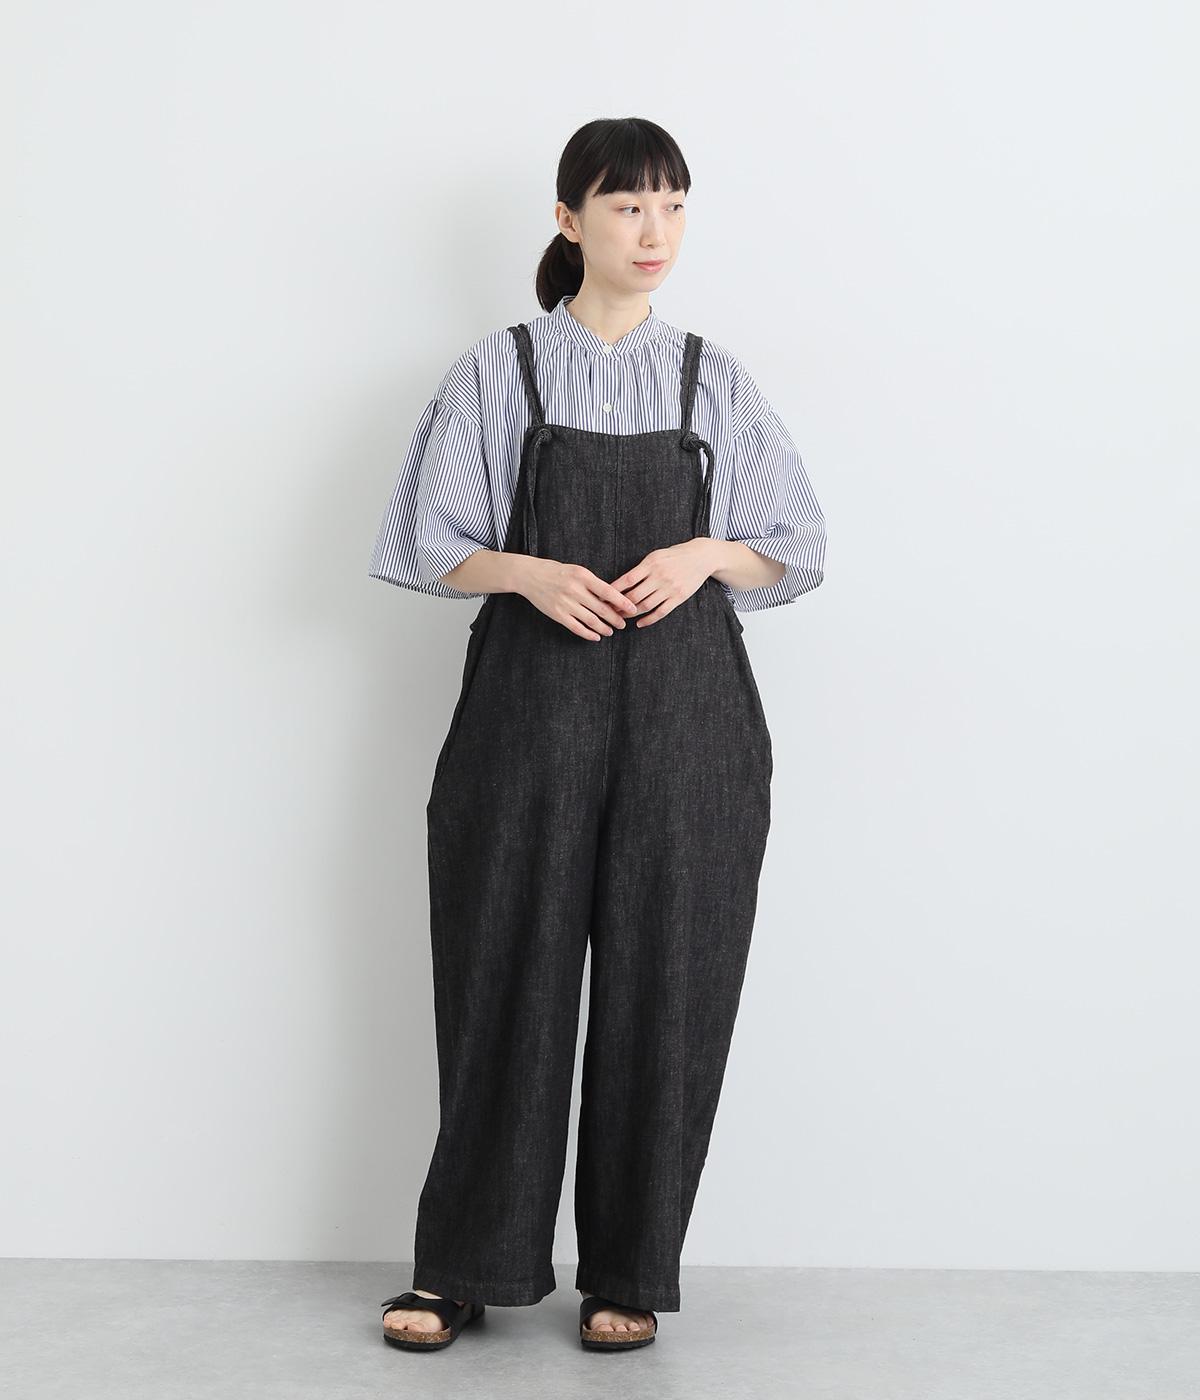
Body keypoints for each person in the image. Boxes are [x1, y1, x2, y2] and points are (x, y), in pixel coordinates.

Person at [369, 116, 827, 1352]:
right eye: (628, 205)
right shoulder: (499, 370)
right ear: (570, 221)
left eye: (673, 204)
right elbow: (426, 539)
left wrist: (704, 551)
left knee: (668, 986)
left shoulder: (711, 378)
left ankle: (630, 1267)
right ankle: (462, 1265)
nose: (655, 229)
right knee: (503, 974)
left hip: (692, 724)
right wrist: (528, 570)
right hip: (528, 716)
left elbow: (795, 545)